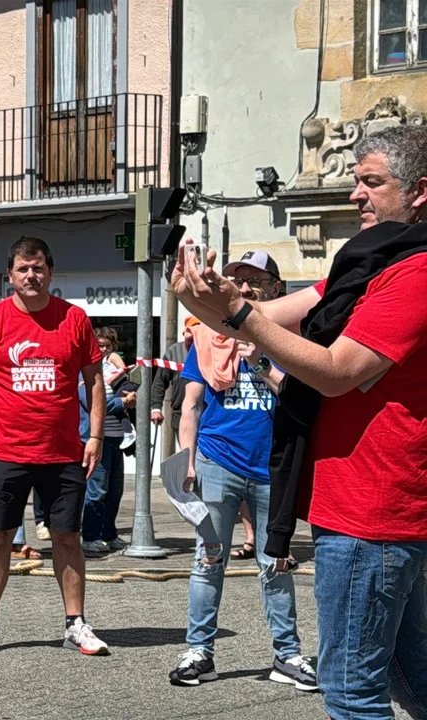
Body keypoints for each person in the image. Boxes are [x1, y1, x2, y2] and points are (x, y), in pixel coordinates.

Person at [173, 124, 427, 718]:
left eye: (371, 182)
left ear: (420, 191)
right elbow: (257, 315)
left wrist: (236, 313)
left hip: (375, 512)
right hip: (366, 509)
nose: (356, 195)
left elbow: (338, 371)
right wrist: (197, 293)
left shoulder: (414, 274)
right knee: (409, 675)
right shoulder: (366, 266)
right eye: (355, 181)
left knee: (351, 691)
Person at [167, 251, 319, 691]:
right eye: (239, 280)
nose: (247, 288)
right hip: (217, 462)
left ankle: (287, 655)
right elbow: (191, 405)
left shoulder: (293, 339)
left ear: (276, 288)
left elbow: (301, 399)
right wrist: (186, 459)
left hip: (273, 468)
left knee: (276, 564)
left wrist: (261, 364)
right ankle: (200, 652)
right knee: (208, 558)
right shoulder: (209, 336)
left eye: (256, 280)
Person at [0, 236, 110, 657]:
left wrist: (95, 436)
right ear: (10, 275)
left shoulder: (73, 319)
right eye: (23, 269)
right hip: (5, 450)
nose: (31, 275)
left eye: (38, 268)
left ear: (50, 273)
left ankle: (75, 623)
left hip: (62, 451)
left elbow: (95, 380)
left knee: (67, 537)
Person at [81, 327, 130, 555]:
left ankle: (109, 534)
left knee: (114, 490)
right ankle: (91, 536)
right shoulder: (85, 371)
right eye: (98, 345)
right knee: (97, 491)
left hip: (116, 438)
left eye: (106, 346)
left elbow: (129, 385)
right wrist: (123, 403)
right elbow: (92, 404)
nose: (102, 350)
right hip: (98, 439)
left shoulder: (112, 369)